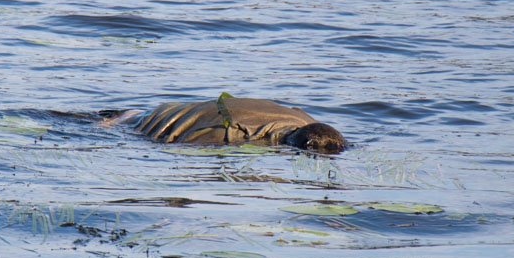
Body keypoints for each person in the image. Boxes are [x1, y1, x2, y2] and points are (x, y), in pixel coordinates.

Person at [108, 94, 346, 154]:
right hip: (141, 118)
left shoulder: (307, 120)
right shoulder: (229, 134)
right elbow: (172, 144)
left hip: (185, 107)